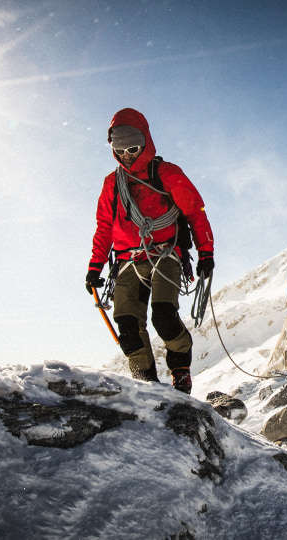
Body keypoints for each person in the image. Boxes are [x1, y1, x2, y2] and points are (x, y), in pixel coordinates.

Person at [85, 108, 214, 394]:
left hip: (165, 254)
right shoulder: (112, 184)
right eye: (120, 150)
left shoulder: (168, 174)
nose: (127, 155)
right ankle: (145, 384)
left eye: (133, 148)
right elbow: (104, 227)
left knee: (164, 317)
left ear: (146, 143)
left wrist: (206, 254)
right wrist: (95, 267)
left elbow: (195, 213)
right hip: (127, 259)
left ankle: (180, 371)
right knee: (127, 326)